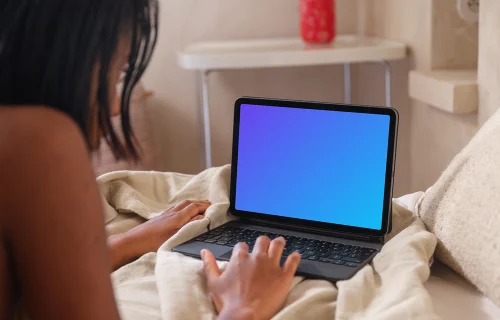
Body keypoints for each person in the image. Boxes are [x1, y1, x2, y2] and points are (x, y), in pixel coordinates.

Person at [0, 0, 301, 319]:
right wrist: (244, 308)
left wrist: (128, 242)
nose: (115, 107)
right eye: (117, 76)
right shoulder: (38, 142)